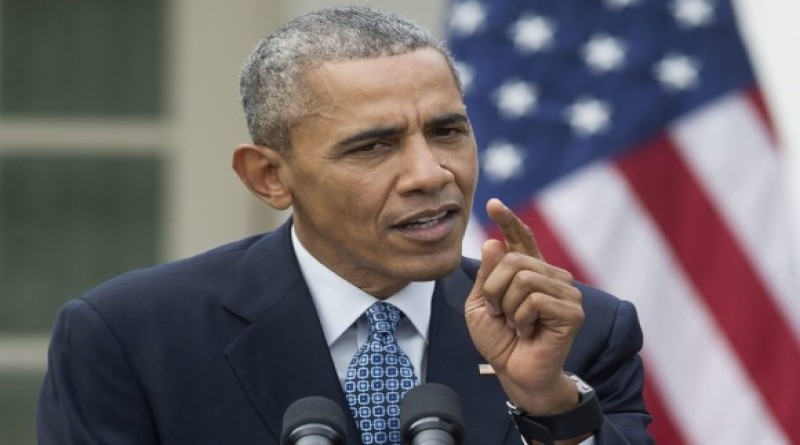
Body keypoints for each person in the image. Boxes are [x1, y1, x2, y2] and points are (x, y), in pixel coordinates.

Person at [37, 6, 652, 445]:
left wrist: (549, 407)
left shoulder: (582, 331)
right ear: (268, 178)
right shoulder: (128, 338)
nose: (429, 172)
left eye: (447, 131)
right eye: (373, 147)